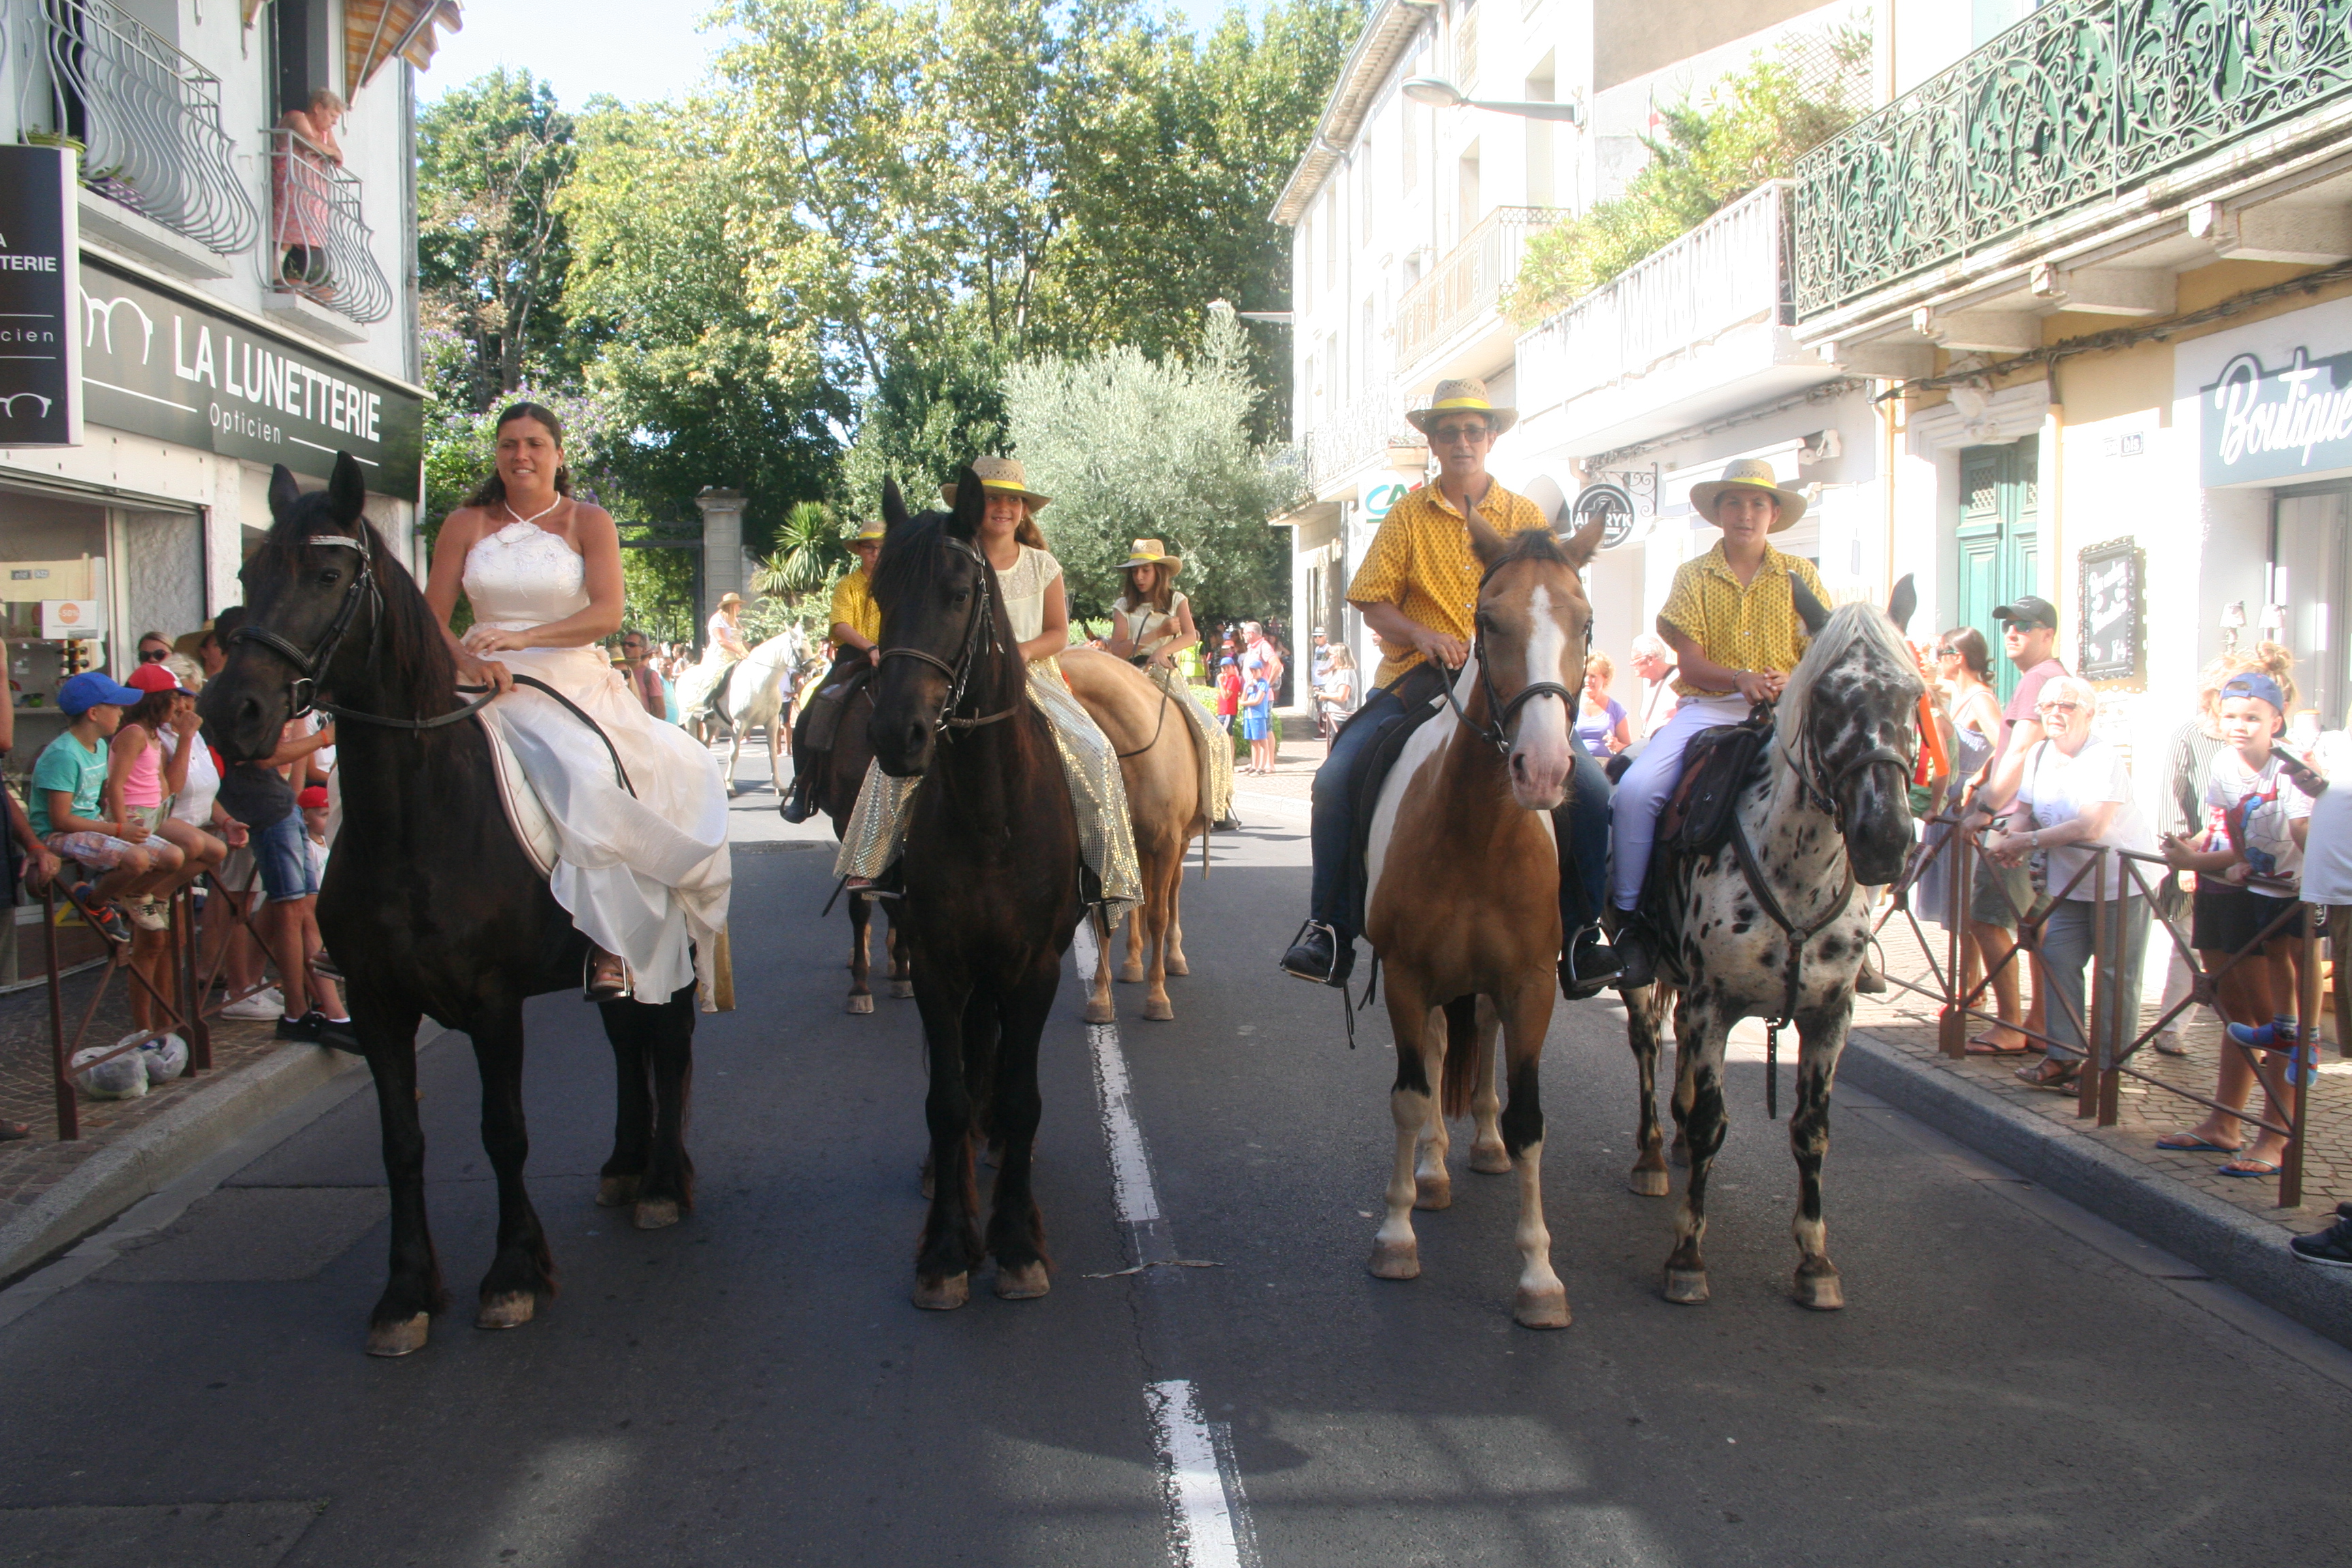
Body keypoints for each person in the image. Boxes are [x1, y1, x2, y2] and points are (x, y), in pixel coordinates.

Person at [1279, 377, 1616, 994]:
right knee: (1335, 779)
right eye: (1449, 431)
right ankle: (1329, 928)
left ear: (1490, 439)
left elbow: (1553, 604)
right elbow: (1372, 601)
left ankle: (1579, 935)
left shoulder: (1524, 517)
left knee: (1591, 792)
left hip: (1508, 683)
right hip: (1418, 676)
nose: (1462, 441)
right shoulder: (1407, 514)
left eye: (1473, 430)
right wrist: (1423, 633)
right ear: (1432, 441)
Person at [427, 399, 732, 1003]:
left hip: (565, 675)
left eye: (535, 444)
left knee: (587, 775)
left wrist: (524, 637)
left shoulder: (586, 521)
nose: (521, 455)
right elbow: (429, 616)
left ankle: (610, 942)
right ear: (497, 453)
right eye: (509, 443)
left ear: (557, 454)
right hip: (479, 673)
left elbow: (606, 614)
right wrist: (470, 662)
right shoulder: (465, 523)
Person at [834, 456, 1140, 915]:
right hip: (962, 677)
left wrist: (1023, 652)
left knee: (1094, 750)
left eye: (1012, 500)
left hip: (1032, 677)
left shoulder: (1042, 564)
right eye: (993, 498)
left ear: (1023, 510)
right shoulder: (951, 552)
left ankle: (1104, 869)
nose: (1002, 507)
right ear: (975, 506)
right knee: (898, 751)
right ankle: (874, 857)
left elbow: (1058, 631)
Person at [1606, 458, 1829, 990]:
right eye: (1734, 503)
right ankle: (1631, 923)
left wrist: (1789, 677)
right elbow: (1689, 664)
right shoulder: (1693, 576)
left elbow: (1819, 655)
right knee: (1636, 791)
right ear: (1718, 512)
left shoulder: (1802, 577)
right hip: (1709, 707)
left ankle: (1846, 933)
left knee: (1841, 788)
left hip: (1785, 713)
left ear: (1774, 513)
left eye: (1757, 504)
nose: (1745, 514)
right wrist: (1741, 677)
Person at [2157, 663, 2316, 1178]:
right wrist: (2192, 851)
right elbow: (2225, 831)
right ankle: (2225, 1124)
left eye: (2253, 714)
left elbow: (2298, 834)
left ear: (2277, 717)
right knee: (2234, 1012)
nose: (2240, 723)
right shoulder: (2225, 764)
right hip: (2224, 890)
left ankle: (2276, 1138)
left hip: (2272, 900)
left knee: (2278, 1023)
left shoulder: (2294, 768)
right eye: (2231, 713)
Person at [1976, 676, 2157, 1090]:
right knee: (2057, 960)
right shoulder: (2039, 752)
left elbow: (2092, 825)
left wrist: (2029, 840)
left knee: (2115, 976)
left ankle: (2108, 1072)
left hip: (2120, 882)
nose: (2055, 713)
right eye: (2047, 706)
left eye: (2067, 706)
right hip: (2072, 881)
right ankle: (2064, 1056)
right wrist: (2010, 837)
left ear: (2089, 713)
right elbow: (2024, 808)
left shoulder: (2101, 757)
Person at [1959, 598, 2070, 1052]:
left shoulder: (2038, 680)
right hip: (2042, 818)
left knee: (1988, 919)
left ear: (2047, 634)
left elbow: (2022, 751)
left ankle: (2009, 1024)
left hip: (2016, 820)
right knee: (2034, 923)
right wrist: (1989, 768)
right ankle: (2039, 1024)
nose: (2011, 632)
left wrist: (1986, 807)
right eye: (2006, 624)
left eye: (2024, 624)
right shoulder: (2051, 678)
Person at [28, 671, 182, 948]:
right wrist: (117, 829)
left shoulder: (99, 746)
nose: (122, 712)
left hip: (92, 823)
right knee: (136, 859)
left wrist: (121, 826)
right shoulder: (64, 754)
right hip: (56, 834)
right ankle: (94, 903)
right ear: (94, 713)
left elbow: (97, 800)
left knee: (173, 856)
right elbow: (60, 819)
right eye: (115, 706)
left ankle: (126, 897)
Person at [2150, 653, 2255, 1055]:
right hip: (2196, 855)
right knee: (2189, 947)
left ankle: (2249, 1033)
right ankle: (2171, 1028)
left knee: (2241, 951)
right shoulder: (2190, 734)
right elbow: (2169, 797)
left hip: (2238, 864)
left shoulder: (2250, 737)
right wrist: (2181, 860)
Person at [1102, 539, 1237, 830]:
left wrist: (1164, 650)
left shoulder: (1177, 600)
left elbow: (1191, 635)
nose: (1139, 577)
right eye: (1136, 571)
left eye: (1146, 570)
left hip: (1165, 674)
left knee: (1214, 733)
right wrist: (1157, 635)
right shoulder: (1123, 606)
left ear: (1159, 571)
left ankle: (1218, 804)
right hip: (1128, 674)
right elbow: (1118, 649)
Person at [1914, 629, 2007, 1039]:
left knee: (1966, 901)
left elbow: (2005, 746)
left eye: (1943, 651)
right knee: (1956, 905)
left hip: (1967, 805)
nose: (1937, 657)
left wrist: (1980, 786)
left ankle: (1971, 992)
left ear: (1961, 656)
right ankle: (1966, 989)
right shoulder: (1956, 699)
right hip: (1951, 803)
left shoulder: (1982, 699)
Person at [781, 519, 885, 823]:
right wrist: (870, 648)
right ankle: (803, 789)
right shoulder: (847, 585)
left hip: (894, 656)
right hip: (854, 658)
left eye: (881, 548)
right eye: (869, 547)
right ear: (860, 551)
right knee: (810, 715)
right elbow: (840, 625)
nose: (875, 553)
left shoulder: (900, 583)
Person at [272, 89, 345, 296]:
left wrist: (328, 150)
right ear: (318, 108)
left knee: (304, 234)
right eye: (332, 116)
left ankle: (301, 277)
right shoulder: (297, 117)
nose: (334, 123)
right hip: (292, 183)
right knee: (286, 230)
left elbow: (338, 154)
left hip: (313, 191)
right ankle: (276, 273)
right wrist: (327, 151)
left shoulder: (325, 132)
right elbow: (309, 143)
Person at [1575, 651, 1631, 757]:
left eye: (1593, 676)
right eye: (1585, 675)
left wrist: (1616, 745)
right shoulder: (1572, 706)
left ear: (1605, 678)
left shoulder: (1615, 709)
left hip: (1606, 767)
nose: (1588, 680)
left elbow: (1629, 747)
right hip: (1578, 766)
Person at [1629, 632, 1679, 740]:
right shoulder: (1650, 684)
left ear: (1650, 659)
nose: (1631, 664)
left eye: (1635, 659)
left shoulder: (1678, 678)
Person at [617, 630, 666, 719]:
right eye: (623, 644)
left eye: (631, 645)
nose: (626, 647)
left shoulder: (649, 675)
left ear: (643, 650)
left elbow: (660, 712)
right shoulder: (616, 671)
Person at [1316, 644, 1356, 748]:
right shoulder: (1339, 672)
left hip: (1341, 718)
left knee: (1338, 749)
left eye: (1332, 655)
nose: (1330, 657)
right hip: (1334, 716)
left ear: (1339, 656)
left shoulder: (1346, 673)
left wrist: (1324, 695)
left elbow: (1342, 697)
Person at [1241, 662, 1274, 774]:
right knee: (1253, 741)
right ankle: (1254, 765)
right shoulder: (1250, 684)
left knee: (1262, 740)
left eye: (1255, 670)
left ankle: (1262, 766)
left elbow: (1257, 701)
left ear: (1261, 670)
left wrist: (1244, 703)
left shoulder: (1263, 684)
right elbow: (1242, 699)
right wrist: (1246, 688)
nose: (1253, 673)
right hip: (1248, 715)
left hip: (1258, 715)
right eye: (1252, 671)